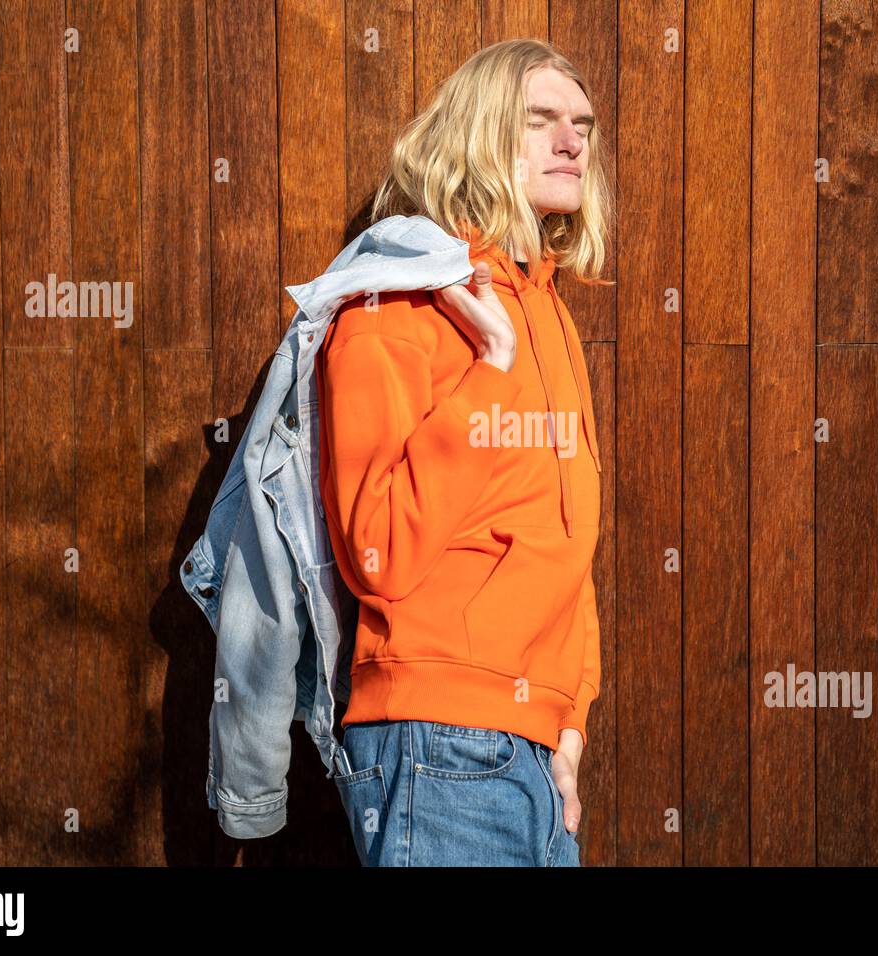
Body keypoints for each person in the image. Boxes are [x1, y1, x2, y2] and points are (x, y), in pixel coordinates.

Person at [315, 37, 612, 866]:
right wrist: (492, 370)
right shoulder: (395, 302)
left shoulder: (549, 312)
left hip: (536, 761)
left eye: (582, 123)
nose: (572, 141)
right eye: (541, 121)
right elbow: (376, 550)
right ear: (480, 137)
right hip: (439, 748)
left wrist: (570, 722)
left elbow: (566, 547)